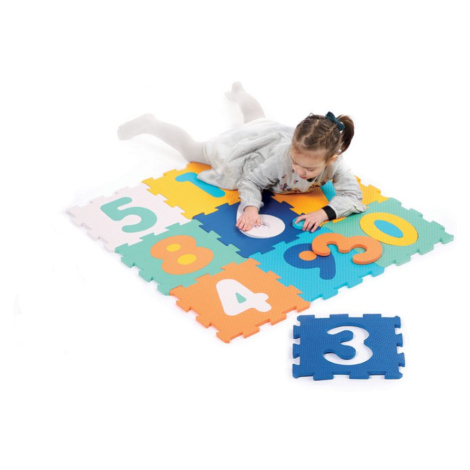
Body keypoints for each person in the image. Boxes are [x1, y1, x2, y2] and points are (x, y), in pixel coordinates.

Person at [117, 82, 366, 232]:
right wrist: (250, 208)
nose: (300, 171)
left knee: (256, 117)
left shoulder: (336, 164)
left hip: (270, 135)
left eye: (309, 170)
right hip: (252, 146)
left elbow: (353, 196)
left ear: (330, 160)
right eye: (296, 163)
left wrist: (324, 213)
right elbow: (251, 181)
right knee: (194, 150)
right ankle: (151, 123)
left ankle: (239, 92)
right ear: (292, 148)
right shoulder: (282, 157)